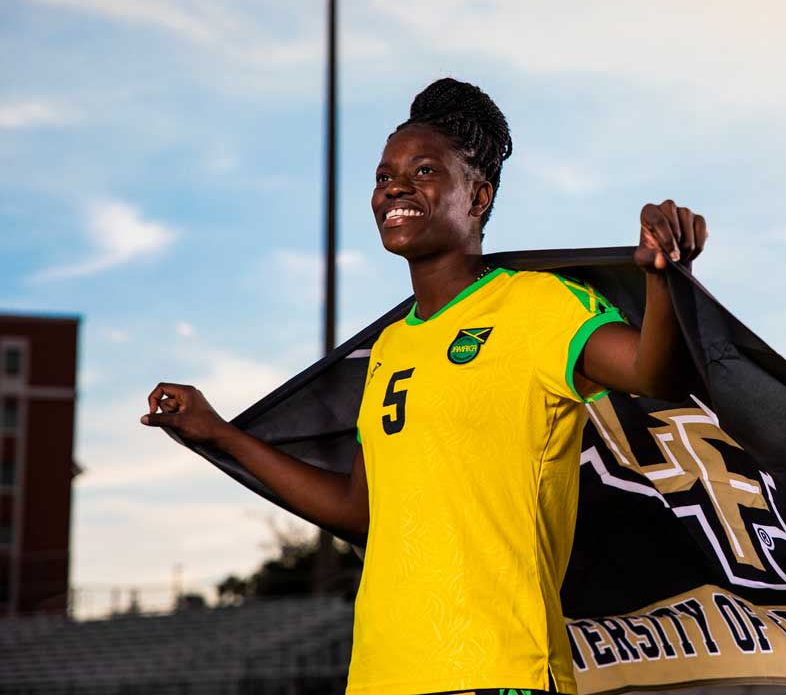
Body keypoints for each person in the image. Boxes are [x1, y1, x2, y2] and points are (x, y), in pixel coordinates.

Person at [141, 78, 707, 695]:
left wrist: (662, 278)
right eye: (384, 176)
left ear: (479, 196)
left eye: (425, 170)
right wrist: (220, 434)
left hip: (498, 670)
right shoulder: (388, 349)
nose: (395, 187)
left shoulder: (539, 306)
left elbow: (656, 375)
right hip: (381, 677)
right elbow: (361, 512)